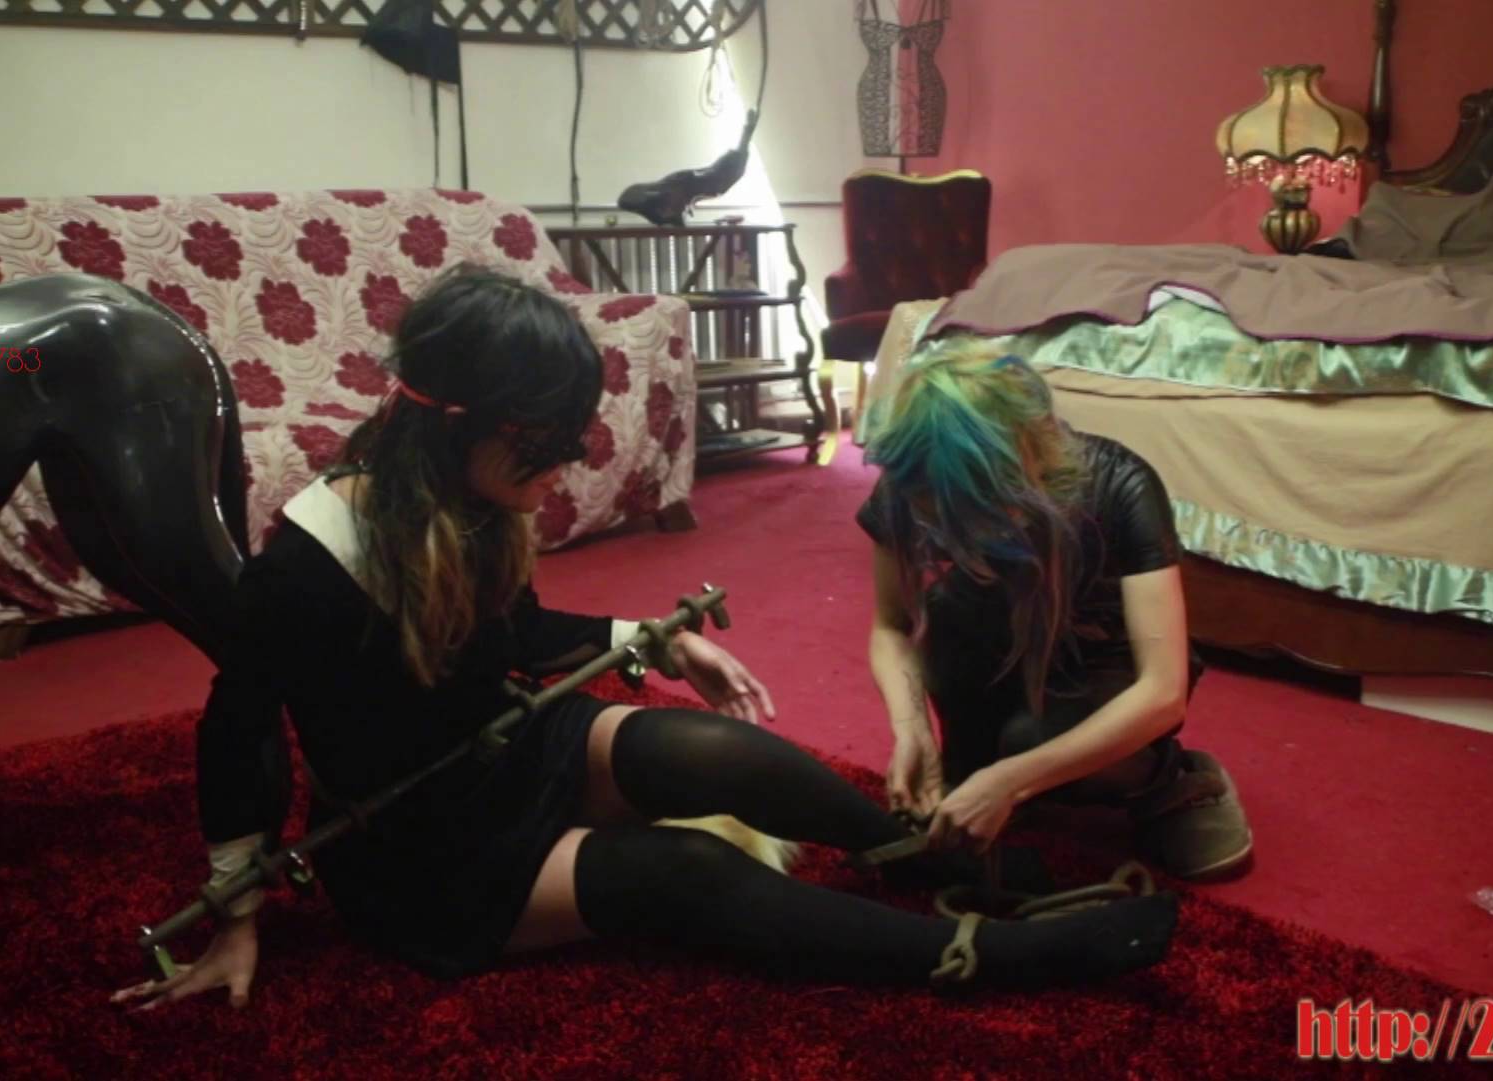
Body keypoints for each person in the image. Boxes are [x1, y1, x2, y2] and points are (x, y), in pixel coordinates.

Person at [113, 269, 1177, 1011]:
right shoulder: (306, 562)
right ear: (457, 423)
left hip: (504, 748)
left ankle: (917, 854)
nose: (566, 465)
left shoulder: (466, 503)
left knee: (716, 753)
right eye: (546, 442)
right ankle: (985, 954)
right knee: (684, 873)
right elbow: (236, 732)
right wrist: (237, 913)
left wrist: (650, 640)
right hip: (427, 853)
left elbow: (513, 634)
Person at [861, 340, 1252, 878]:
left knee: (1031, 744)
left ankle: (1169, 777)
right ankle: (988, 765)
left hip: (1098, 659)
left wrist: (1013, 780)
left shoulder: (1120, 483)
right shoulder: (910, 480)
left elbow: (1163, 692)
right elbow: (891, 626)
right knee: (947, 618)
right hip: (994, 643)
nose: (955, 535)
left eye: (973, 514)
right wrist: (913, 732)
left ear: (1027, 461)